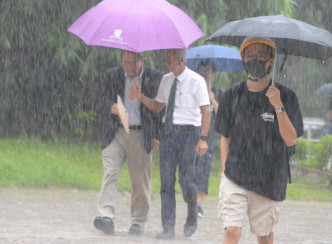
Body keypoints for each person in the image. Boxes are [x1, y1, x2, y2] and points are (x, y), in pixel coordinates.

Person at [215, 37, 304, 244]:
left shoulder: (287, 97)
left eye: (261, 55)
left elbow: (291, 140)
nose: (254, 59)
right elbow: (225, 137)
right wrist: (224, 172)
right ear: (243, 59)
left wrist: (278, 106)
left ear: (271, 60)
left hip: (269, 178)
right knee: (232, 231)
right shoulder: (231, 96)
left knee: (263, 236)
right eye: (249, 55)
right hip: (235, 174)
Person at [132, 49, 211, 239]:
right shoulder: (166, 80)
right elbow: (158, 106)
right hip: (168, 133)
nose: (166, 61)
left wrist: (203, 138)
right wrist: (140, 95)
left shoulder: (196, 80)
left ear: (181, 60)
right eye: (165, 57)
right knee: (166, 182)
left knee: (186, 181)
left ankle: (192, 212)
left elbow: (206, 111)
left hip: (189, 134)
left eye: (170, 58)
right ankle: (168, 227)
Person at [93, 50, 163, 236]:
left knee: (140, 180)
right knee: (110, 172)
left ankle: (138, 221)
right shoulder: (112, 75)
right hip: (116, 132)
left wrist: (158, 135)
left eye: (132, 63)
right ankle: (106, 216)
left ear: (142, 61)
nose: (128, 66)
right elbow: (98, 98)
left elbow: (161, 107)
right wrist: (111, 107)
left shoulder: (155, 77)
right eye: (125, 62)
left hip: (141, 134)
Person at [194, 59, 223, 218]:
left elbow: (223, 117)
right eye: (201, 71)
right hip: (192, 136)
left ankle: (199, 203)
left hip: (210, 139)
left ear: (214, 75)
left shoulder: (218, 93)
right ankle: (192, 200)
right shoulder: (193, 91)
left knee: (203, 170)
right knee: (190, 170)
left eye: (207, 72)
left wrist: (212, 100)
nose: (204, 75)